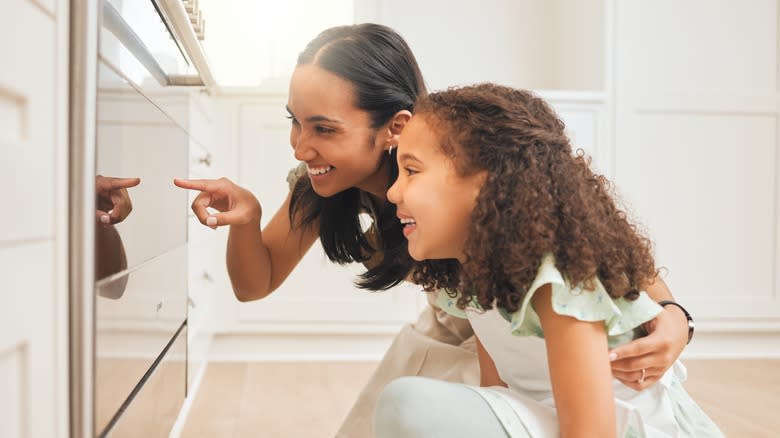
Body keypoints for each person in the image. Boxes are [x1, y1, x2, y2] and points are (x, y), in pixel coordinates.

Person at [174, 24, 693, 437]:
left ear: (395, 128)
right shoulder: (322, 186)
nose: (300, 146)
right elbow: (253, 283)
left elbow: (591, 245)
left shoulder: (468, 157)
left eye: (324, 128)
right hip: (468, 317)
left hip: (514, 326)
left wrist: (674, 315)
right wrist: (246, 219)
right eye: (295, 121)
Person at [377, 83, 723, 437]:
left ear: (485, 184)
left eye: (413, 171)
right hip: (546, 421)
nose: (393, 191)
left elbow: (592, 432)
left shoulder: (559, 281)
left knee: (407, 404)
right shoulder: (475, 272)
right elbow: (497, 396)